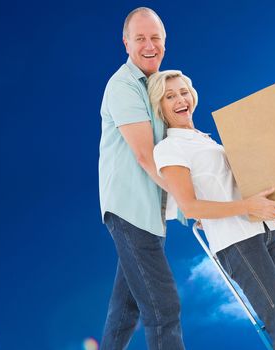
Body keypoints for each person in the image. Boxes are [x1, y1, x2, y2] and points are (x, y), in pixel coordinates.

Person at [148, 70, 275, 350]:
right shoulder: (169, 148)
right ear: (159, 106)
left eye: (183, 92)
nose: (180, 99)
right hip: (237, 242)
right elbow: (189, 206)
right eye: (169, 96)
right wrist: (247, 206)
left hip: (266, 231)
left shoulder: (208, 140)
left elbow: (251, 183)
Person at [98, 8, 185, 350]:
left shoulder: (159, 88)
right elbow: (145, 155)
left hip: (152, 214)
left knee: (126, 310)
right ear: (126, 43)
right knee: (164, 308)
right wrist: (194, 205)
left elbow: (178, 154)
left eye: (155, 38)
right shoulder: (123, 86)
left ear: (165, 41)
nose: (149, 46)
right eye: (140, 39)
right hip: (131, 210)